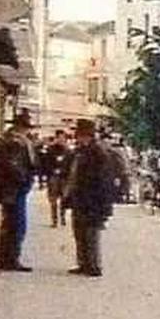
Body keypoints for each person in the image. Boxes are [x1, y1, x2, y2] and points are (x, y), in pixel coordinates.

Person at [0, 110, 36, 271]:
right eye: (27, 128)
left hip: (8, 189)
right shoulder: (15, 143)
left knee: (9, 223)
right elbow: (13, 166)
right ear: (21, 127)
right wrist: (23, 179)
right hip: (13, 189)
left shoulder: (4, 140)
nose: (28, 131)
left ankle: (5, 258)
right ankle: (11, 259)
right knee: (17, 225)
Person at [64, 119, 114, 277]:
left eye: (79, 135)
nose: (77, 137)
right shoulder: (80, 151)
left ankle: (93, 265)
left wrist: (103, 204)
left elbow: (103, 180)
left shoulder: (98, 152)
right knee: (79, 231)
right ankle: (83, 263)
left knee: (91, 233)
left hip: (93, 200)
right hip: (80, 198)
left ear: (87, 135)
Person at [45, 130, 71, 227]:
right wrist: (52, 171)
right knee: (53, 200)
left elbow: (70, 165)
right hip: (53, 176)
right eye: (59, 138)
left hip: (64, 177)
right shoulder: (50, 150)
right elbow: (46, 163)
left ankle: (62, 217)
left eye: (63, 138)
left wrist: (65, 172)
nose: (61, 140)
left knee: (63, 199)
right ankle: (54, 219)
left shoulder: (68, 151)